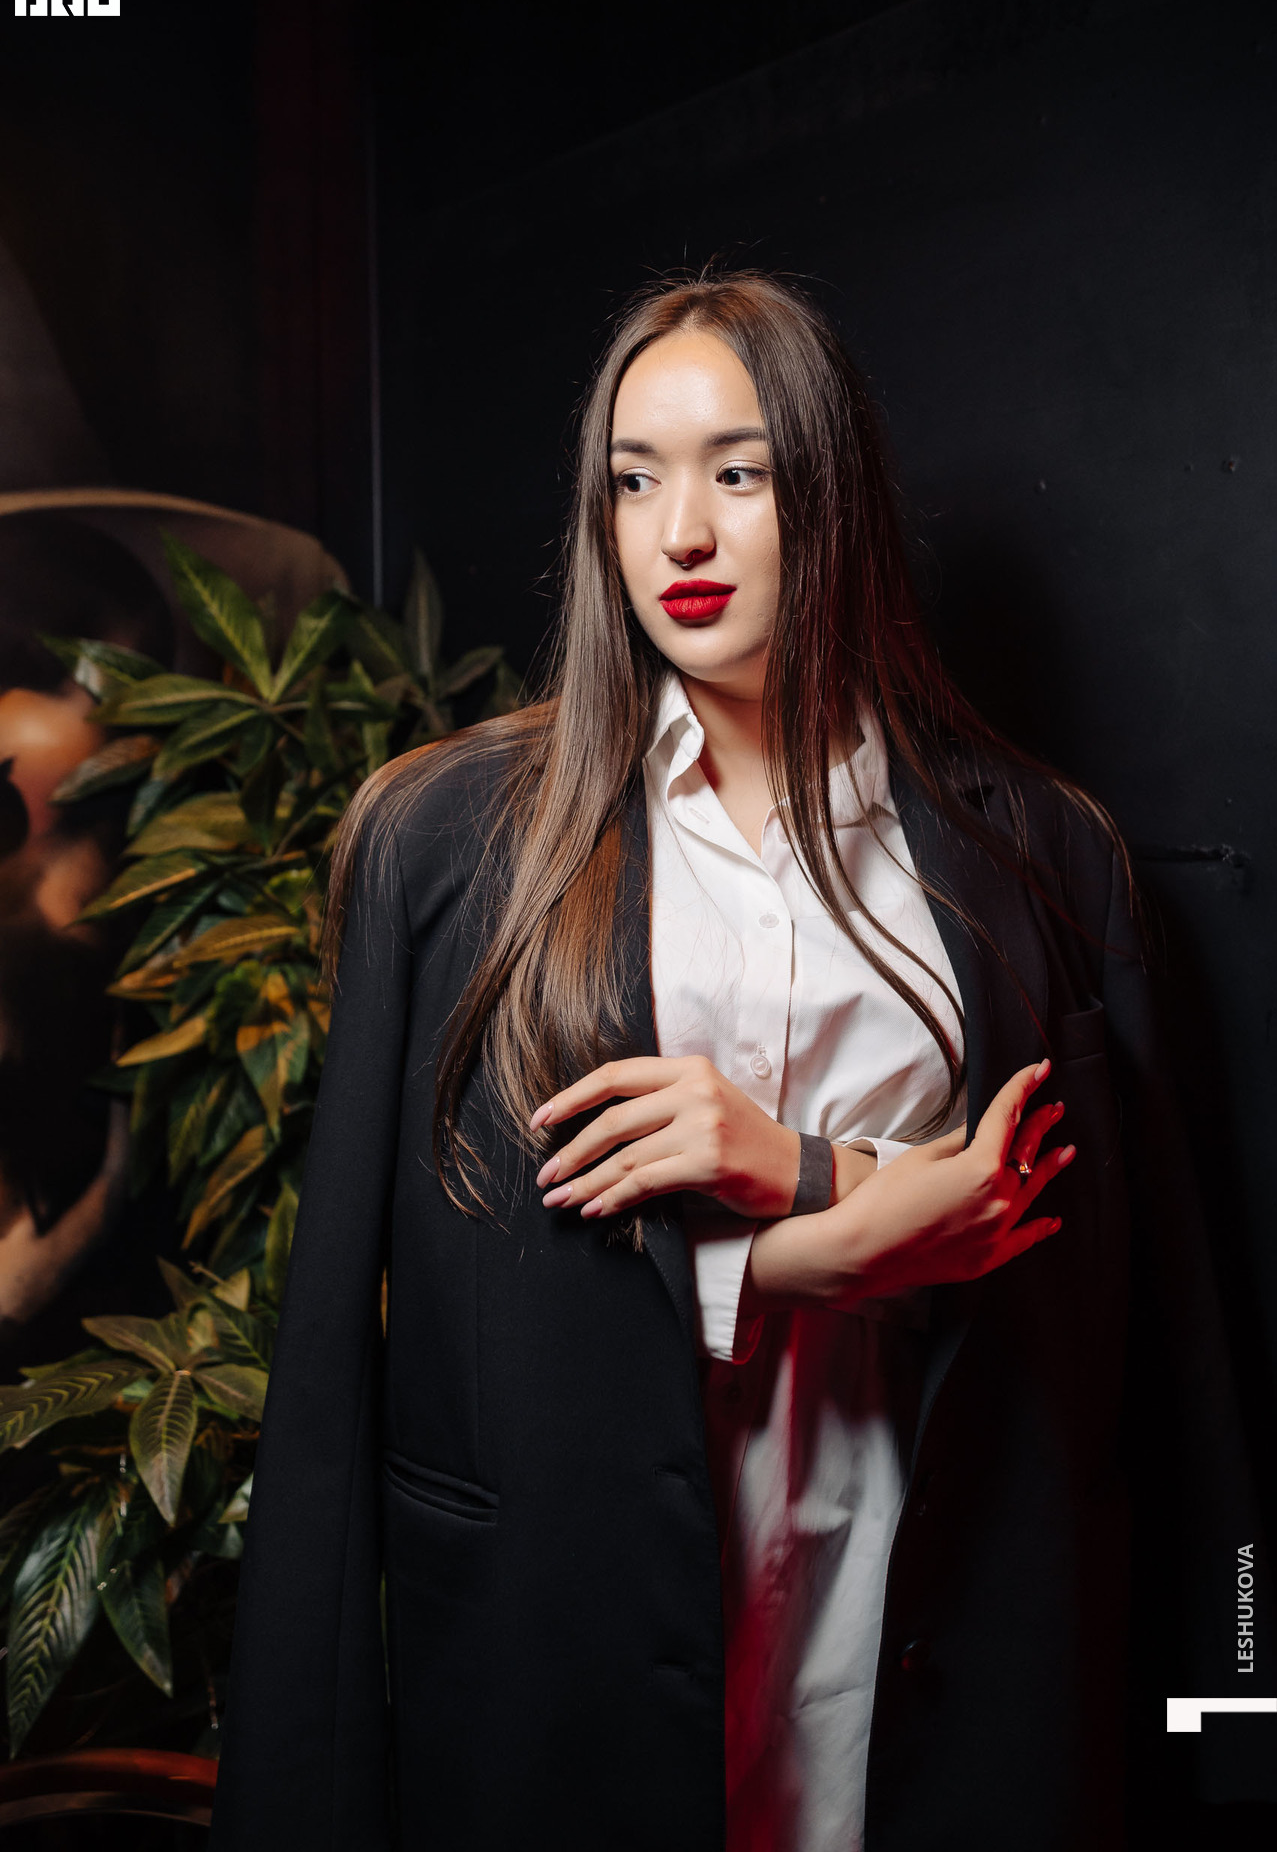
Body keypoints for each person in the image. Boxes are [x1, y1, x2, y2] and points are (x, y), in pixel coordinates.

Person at [209, 273, 1254, 1852]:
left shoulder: (1044, 853)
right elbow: (410, 1330)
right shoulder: (448, 842)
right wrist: (785, 1259)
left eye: (737, 472)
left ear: (831, 490)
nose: (678, 534)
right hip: (564, 1678)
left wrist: (1237, 1730)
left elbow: (1158, 1346)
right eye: (633, 481)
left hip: (943, 1652)